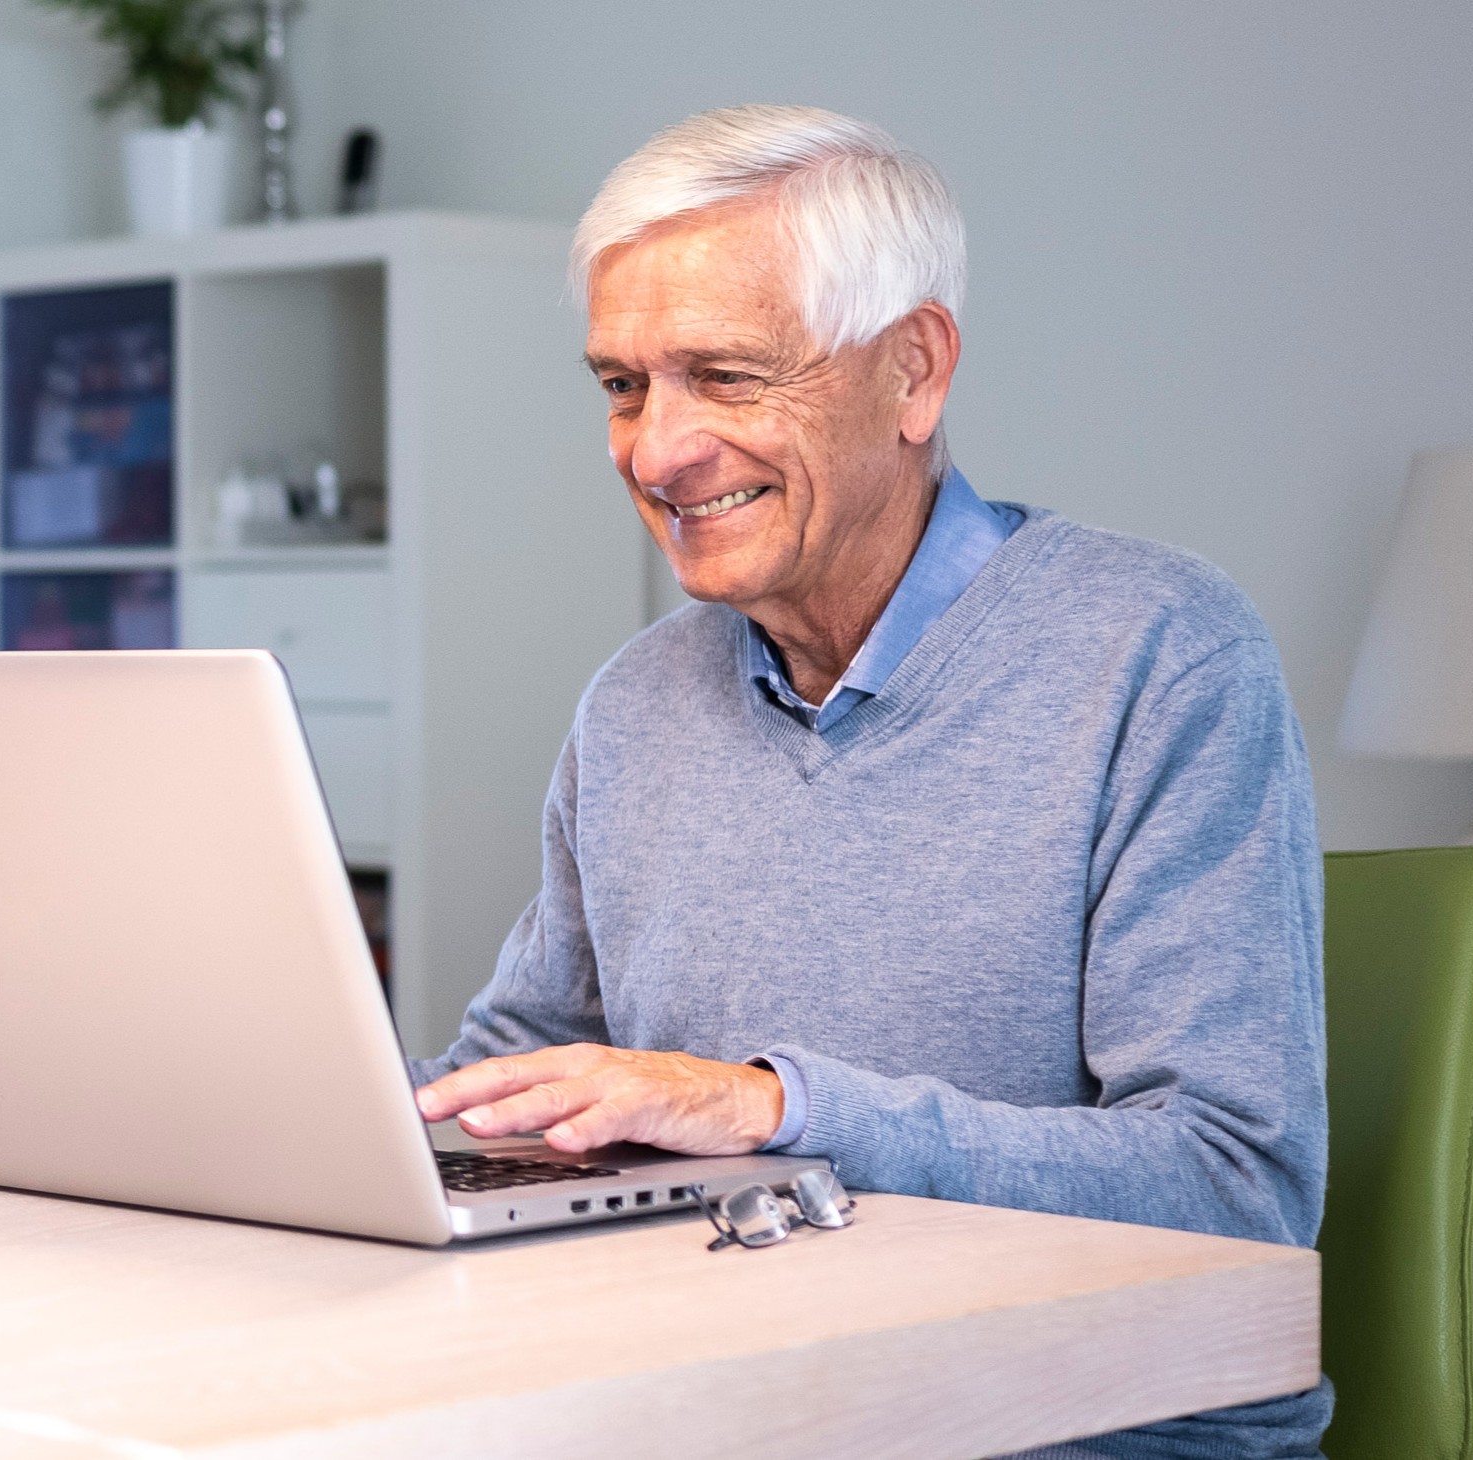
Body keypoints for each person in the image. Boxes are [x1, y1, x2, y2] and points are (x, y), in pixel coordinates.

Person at [410, 105, 1331, 1459]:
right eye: (621, 385)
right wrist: (307, 1117)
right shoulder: (637, 702)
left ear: (912, 370)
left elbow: (1232, 1185)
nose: (654, 454)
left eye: (723, 377)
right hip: (715, 1401)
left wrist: (771, 1110)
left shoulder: (1159, 653)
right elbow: (516, 1081)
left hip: (1074, 1425)